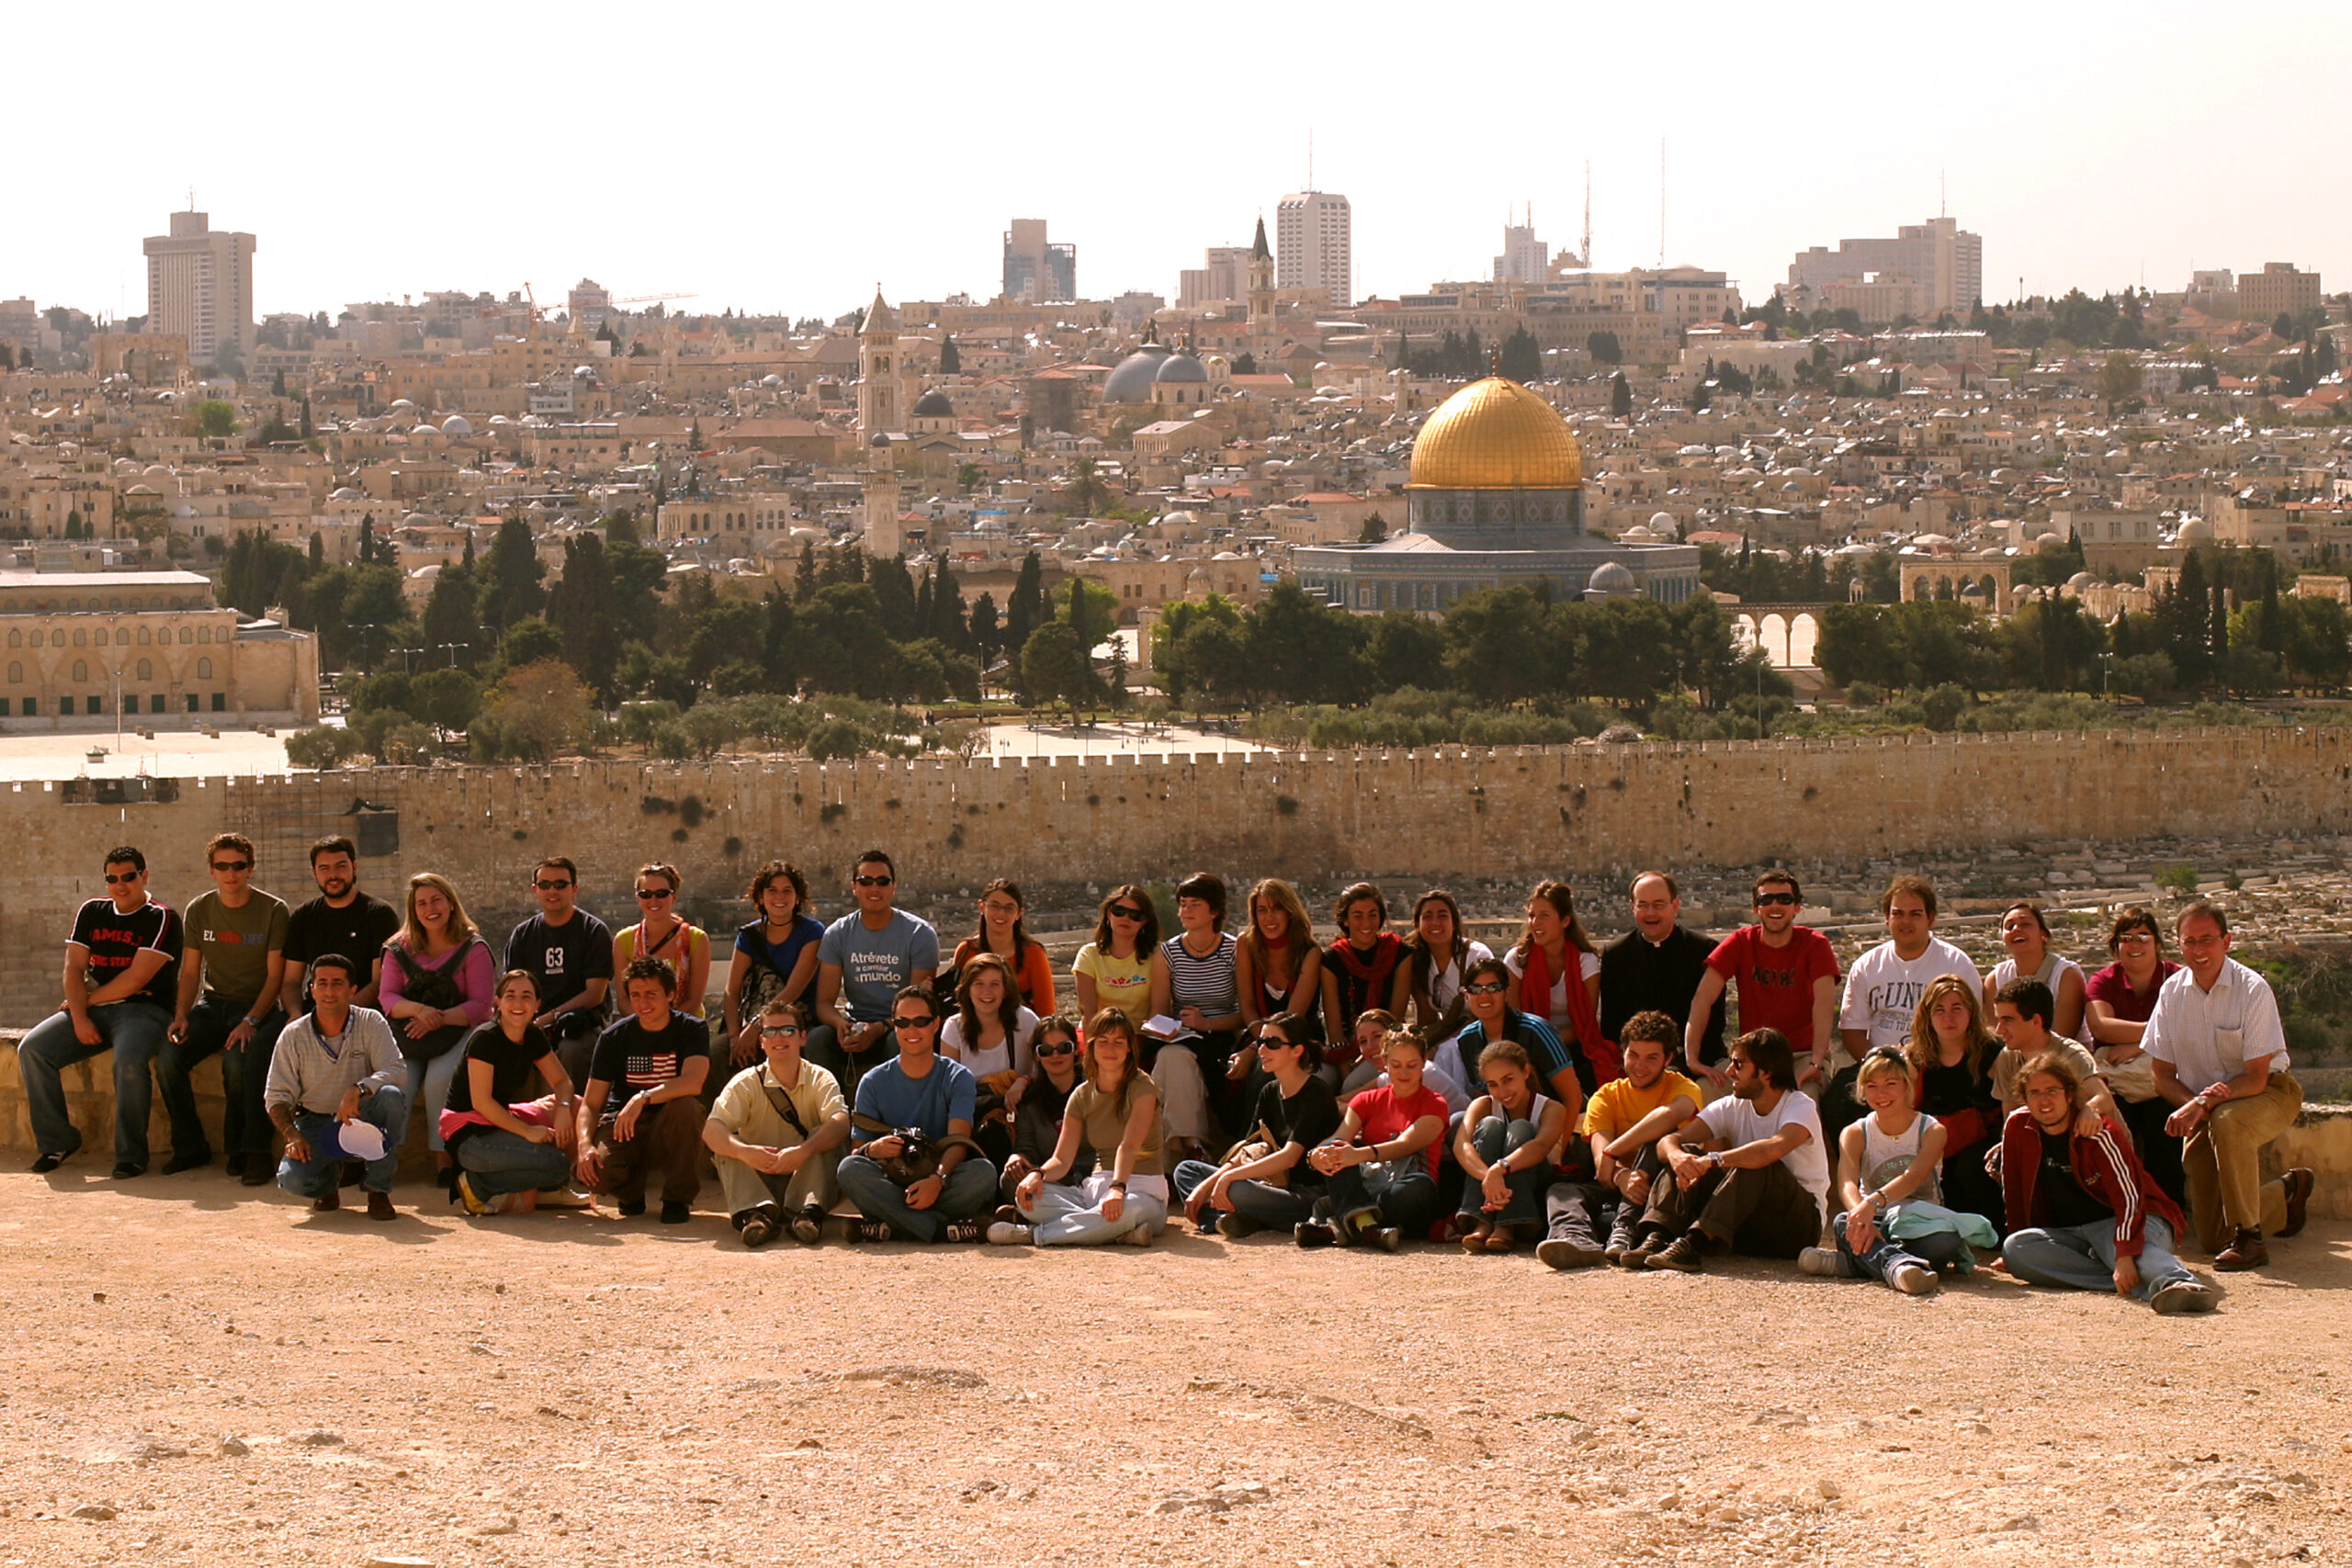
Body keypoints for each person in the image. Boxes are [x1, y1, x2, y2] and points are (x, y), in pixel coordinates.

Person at [2143, 901, 2316, 1271]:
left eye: (2207, 940)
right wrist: (2196, 1104)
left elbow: (2255, 1076)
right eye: (2189, 942)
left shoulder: (2252, 989)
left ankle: (2251, 1238)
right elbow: (2161, 1075)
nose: (2198, 950)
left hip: (2268, 1091)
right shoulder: (2172, 994)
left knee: (2228, 1120)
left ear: (2227, 941)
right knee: (2211, 1239)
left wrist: (2201, 1107)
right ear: (2178, 945)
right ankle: (2287, 1193)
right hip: (2207, 1104)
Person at [1999, 1050, 2217, 1314]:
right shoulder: (2017, 1127)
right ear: (2025, 1099)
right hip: (2073, 1232)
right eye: (2034, 1093)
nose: (2044, 1100)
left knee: (2136, 1253)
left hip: (2132, 1219)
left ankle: (2181, 1284)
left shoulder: (2098, 1131)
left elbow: (2130, 1197)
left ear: (2069, 1094)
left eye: (2052, 1091)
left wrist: (2124, 1254)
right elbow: (2014, 1192)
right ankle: (2139, 1283)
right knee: (2017, 1250)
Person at [19, 846, 183, 1178]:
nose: (120, 885)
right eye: (112, 878)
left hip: (145, 1009)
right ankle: (57, 1142)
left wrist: (86, 1003)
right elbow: (73, 967)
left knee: (128, 1061)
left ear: (144, 876)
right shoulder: (91, 911)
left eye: (128, 877)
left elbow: (135, 980)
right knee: (33, 1050)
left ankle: (131, 1156)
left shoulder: (161, 917)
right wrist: (79, 1017)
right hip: (93, 1009)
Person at [1634, 1028, 1829, 1274]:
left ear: (1766, 1071)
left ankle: (1693, 1244)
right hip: (1747, 1225)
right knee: (1689, 1151)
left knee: (1759, 1164)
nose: (1728, 1071)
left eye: (1738, 1064)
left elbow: (1773, 1149)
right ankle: (1657, 1235)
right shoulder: (1730, 1106)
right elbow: (1669, 1141)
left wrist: (1713, 1160)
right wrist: (1679, 1157)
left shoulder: (1801, 1106)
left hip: (1796, 1229)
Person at [158, 833, 290, 1186]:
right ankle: (190, 1147)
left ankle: (244, 1150)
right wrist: (181, 1015)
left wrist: (251, 1020)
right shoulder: (199, 909)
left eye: (238, 866)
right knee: (169, 1060)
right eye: (222, 866)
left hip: (255, 1006)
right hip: (212, 1004)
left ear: (250, 869)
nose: (231, 873)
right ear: (211, 870)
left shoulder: (273, 910)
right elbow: (190, 972)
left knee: (238, 1062)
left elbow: (276, 978)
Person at [1798, 1047, 1979, 1295]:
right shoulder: (1854, 1133)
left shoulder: (1932, 1130)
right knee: (1843, 1222)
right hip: (1874, 1219)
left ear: (1906, 1085)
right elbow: (1847, 1184)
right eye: (1871, 1086)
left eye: (1890, 1083)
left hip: (1921, 1221)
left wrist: (1872, 1201)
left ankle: (1850, 1264)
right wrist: (1859, 1214)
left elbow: (1913, 1177)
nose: (1881, 1094)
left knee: (1945, 1242)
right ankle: (1898, 1267)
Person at [1539, 1010, 1702, 1269]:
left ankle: (1624, 1231)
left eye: (1651, 1058)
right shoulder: (1606, 1096)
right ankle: (1577, 1241)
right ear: (1623, 1053)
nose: (1640, 1066)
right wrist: (1621, 1176)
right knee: (1562, 1191)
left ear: (1668, 1059)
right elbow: (1600, 1159)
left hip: (1662, 1192)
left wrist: (1614, 1151)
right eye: (1633, 1055)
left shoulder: (1683, 1087)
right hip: (1620, 1186)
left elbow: (1671, 1115)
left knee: (1656, 1141)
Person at [835, 986, 996, 1244]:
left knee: (983, 1174)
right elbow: (857, 1151)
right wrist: (873, 1150)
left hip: (940, 1177)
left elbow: (959, 1143)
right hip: (893, 1179)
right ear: (895, 1027)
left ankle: (891, 1226)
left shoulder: (957, 1077)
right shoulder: (872, 1082)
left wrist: (937, 1179)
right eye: (903, 1022)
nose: (912, 1030)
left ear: (936, 1024)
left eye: (921, 1022)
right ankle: (941, 1230)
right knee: (849, 1169)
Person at [1833, 875, 1978, 1155]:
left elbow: (1972, 1028)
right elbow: (1852, 1032)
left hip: (1939, 1066)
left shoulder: (1956, 964)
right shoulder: (1867, 965)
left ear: (1931, 918)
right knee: (1839, 1099)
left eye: (1915, 914)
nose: (1905, 922)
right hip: (1880, 1065)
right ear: (1887, 918)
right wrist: (1881, 1066)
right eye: (1897, 914)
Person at [1001, 1010, 1167, 1247]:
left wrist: (1118, 1188)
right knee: (1031, 1197)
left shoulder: (1143, 1088)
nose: (1110, 1049)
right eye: (1103, 1042)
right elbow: (1061, 1159)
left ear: (1130, 1047)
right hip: (1094, 1192)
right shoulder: (1081, 1095)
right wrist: (1037, 1175)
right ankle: (1115, 1233)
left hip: (1140, 1190)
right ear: (1090, 1046)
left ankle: (1032, 1235)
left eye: (1118, 1042)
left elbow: (1129, 1146)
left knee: (1128, 1210)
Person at [262, 953, 404, 1221]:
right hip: (316, 1122)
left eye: (337, 983)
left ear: (352, 990)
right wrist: (292, 1136)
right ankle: (327, 1184)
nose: (329, 991)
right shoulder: (293, 1035)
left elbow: (397, 1070)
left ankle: (378, 1190)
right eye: (322, 983)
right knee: (293, 1180)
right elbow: (276, 1096)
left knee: (391, 1097)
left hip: (362, 1118)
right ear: (312, 990)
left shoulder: (371, 1022)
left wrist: (359, 1090)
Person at [1170, 1015, 1338, 1238]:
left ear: (1297, 1051)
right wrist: (1209, 1184)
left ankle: (1240, 1218)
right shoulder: (1269, 1091)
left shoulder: (1316, 1092)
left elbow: (1290, 1157)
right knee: (1187, 1171)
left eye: (1273, 1043)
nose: (1262, 1050)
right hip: (1272, 1185)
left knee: (1235, 1187)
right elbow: (1247, 1149)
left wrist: (1228, 1179)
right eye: (1260, 1042)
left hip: (1306, 1196)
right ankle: (1231, 1221)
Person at [573, 955, 711, 1224]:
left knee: (687, 1108)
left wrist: (643, 1097)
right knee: (597, 1173)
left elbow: (693, 1081)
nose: (643, 1003)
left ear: (670, 995)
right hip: (623, 1124)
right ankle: (630, 1193)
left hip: (669, 1122)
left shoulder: (691, 1029)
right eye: (635, 995)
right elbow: (590, 1103)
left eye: (651, 994)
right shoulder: (613, 1037)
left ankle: (677, 1198)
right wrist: (583, 1145)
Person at [703, 997, 849, 1247]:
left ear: (802, 1037)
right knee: (728, 1145)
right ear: (761, 1042)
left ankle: (808, 1215)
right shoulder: (745, 1082)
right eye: (770, 1032)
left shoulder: (820, 1078)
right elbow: (711, 1130)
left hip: (805, 1176)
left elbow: (840, 1123)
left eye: (787, 1031)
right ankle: (755, 1216)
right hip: (760, 1177)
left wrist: (803, 1152)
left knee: (824, 1134)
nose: (778, 1039)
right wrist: (745, 1152)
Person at [379, 872, 495, 1178]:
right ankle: (383, 1158)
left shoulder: (473, 948)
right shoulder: (397, 949)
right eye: (422, 903)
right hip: (410, 1032)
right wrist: (420, 1011)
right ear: (413, 910)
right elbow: (387, 996)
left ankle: (443, 1158)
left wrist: (437, 1019)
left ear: (450, 903)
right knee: (398, 1085)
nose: (430, 908)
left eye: (436, 900)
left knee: (440, 1081)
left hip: (457, 1029)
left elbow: (482, 1004)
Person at [441, 970, 580, 1216]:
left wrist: (564, 1108)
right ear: (498, 1002)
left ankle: (551, 1191)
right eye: (510, 996)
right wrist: (528, 1132)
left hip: (500, 1122)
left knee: (577, 1106)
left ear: (537, 1004)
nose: (518, 1003)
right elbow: (481, 1103)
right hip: (471, 1136)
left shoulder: (533, 1035)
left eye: (526, 996)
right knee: (556, 1164)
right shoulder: (485, 1039)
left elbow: (562, 1082)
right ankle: (476, 1184)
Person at [1297, 1027, 1450, 1250]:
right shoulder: (1366, 1100)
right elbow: (1340, 1138)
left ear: (1423, 1062)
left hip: (1406, 1189)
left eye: (1412, 1065)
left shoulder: (1434, 1103)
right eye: (1396, 1065)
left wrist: (1359, 1155)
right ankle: (1367, 1228)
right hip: (1372, 1181)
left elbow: (1405, 1145)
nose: (1404, 1073)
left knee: (1417, 1187)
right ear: (1385, 1062)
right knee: (1333, 1147)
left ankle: (1341, 1221)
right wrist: (1315, 1157)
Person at [1686, 872, 1839, 1093]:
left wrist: (1816, 1061)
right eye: (1766, 900)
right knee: (1702, 1094)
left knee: (1804, 1099)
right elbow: (1702, 999)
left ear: (1797, 907)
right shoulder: (1741, 942)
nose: (1774, 906)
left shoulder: (1815, 945)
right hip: (1752, 1056)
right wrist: (1693, 1059)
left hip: (1802, 1055)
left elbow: (1824, 1005)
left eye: (1784, 899)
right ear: (1756, 908)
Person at [809, 849, 940, 1102]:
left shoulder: (919, 934)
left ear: (893, 887)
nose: (874, 888)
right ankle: (828, 1119)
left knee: (901, 1042)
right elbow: (824, 1002)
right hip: (856, 1023)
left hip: (898, 1025)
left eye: (882, 881)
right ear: (854, 888)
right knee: (817, 1041)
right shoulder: (838, 934)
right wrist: (840, 1025)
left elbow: (918, 1006)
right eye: (866, 881)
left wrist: (881, 1027)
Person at [2085, 906, 2187, 1206]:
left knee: (2166, 1132)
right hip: (2117, 1083)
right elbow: (2101, 1026)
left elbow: (2187, 1027)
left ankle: (2169, 1212)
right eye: (2126, 937)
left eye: (2143, 936)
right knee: (2112, 1134)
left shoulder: (2178, 977)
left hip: (2164, 1078)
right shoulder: (2104, 980)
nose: (2135, 944)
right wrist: (2157, 1030)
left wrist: (2138, 1045)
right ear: (2116, 945)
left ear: (2157, 942)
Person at [1147, 871, 1246, 1161]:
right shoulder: (1168, 954)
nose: (1186, 911)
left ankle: (1180, 1152)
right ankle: (1193, 1145)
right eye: (1183, 904)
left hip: (1223, 1036)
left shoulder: (1234, 949)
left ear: (1214, 911)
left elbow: (1246, 1013)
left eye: (1195, 904)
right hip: (1183, 1037)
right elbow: (1159, 1011)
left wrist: (1208, 1024)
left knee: (1174, 1060)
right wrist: (1166, 1029)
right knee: (1171, 1057)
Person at [1902, 975, 2006, 1230]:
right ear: (1927, 1016)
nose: (1949, 1018)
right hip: (1937, 1149)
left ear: (1971, 1012)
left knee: (1971, 1168)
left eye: (1956, 1008)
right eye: (1940, 1010)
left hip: (1985, 1145)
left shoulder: (1994, 1053)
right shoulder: (1915, 1059)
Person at [1451, 1040, 1570, 1253]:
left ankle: (1509, 1224)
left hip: (1533, 1190)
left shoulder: (1551, 1108)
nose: (1502, 1091)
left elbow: (1540, 1147)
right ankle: (1483, 1220)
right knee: (1489, 1125)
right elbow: (1462, 1145)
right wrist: (1490, 1177)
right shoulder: (1483, 1105)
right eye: (1493, 1084)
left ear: (1526, 1072)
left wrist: (1500, 1169)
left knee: (1521, 1128)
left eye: (1508, 1080)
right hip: (1491, 1186)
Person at [505, 857, 614, 1089]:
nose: (552, 891)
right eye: (545, 885)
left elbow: (594, 994)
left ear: (574, 889)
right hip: (531, 1022)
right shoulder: (523, 935)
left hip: (581, 1025)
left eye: (560, 884)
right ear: (535, 890)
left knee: (572, 1051)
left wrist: (549, 1018)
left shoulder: (593, 932)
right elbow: (512, 989)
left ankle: (571, 1120)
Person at [1599, 872, 1724, 1071]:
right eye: (1642, 905)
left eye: (1658, 905)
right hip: (1636, 1066)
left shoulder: (1703, 951)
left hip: (1695, 1062)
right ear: (1632, 907)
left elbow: (1714, 1024)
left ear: (1675, 906)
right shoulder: (1616, 955)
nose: (1650, 913)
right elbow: (1612, 1024)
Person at [1449, 955, 1594, 1125]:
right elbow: (1485, 1098)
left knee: (1520, 1130)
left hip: (1559, 1123)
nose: (1484, 995)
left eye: (1494, 988)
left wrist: (1557, 1149)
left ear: (1506, 992)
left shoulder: (1536, 1030)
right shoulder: (1468, 1039)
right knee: (1458, 1122)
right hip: (1511, 1125)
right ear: (1466, 995)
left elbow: (1573, 1098)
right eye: (1476, 989)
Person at [1504, 880, 1617, 1082]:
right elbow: (1514, 1019)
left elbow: (1586, 1023)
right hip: (1528, 1045)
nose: (1535, 923)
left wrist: (1548, 1042)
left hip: (1577, 1044)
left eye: (1544, 916)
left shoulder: (1586, 962)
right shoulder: (1516, 960)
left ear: (1565, 921)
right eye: (1531, 916)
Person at [938, 953, 1040, 1168]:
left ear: (1006, 990)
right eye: (979, 984)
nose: (987, 992)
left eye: (995, 984)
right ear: (968, 989)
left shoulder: (1025, 1020)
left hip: (1019, 1112)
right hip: (972, 1114)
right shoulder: (954, 1028)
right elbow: (949, 1086)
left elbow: (1045, 1067)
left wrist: (1023, 1080)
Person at [722, 861, 825, 1075]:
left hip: (799, 1019)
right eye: (772, 891)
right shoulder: (749, 936)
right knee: (717, 1055)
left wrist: (756, 1026)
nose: (780, 897)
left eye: (787, 891)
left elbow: (793, 990)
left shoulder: (812, 932)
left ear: (797, 897)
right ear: (761, 897)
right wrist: (734, 1037)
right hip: (755, 1021)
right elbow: (731, 991)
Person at [280, 834, 401, 1013]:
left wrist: (339, 1015)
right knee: (260, 1042)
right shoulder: (303, 916)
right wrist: (296, 1016)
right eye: (324, 868)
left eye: (341, 866)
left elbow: (379, 982)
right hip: (312, 1012)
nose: (333, 875)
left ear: (354, 867)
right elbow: (291, 981)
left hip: (364, 1013)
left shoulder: (378, 914)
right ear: (314, 873)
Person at [1990, 978, 2123, 1134]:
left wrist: (2090, 1109)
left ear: (2036, 1021)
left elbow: (2104, 1098)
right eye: (1998, 1020)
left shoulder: (2071, 1055)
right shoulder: (2008, 1058)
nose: (1999, 1030)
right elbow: (2011, 1117)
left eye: (2007, 1020)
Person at [997, 1013, 1092, 1210]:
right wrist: (1018, 1158)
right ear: (1037, 1056)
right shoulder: (1031, 1101)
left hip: (1095, 1177)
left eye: (1064, 1048)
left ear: (1076, 1050)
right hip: (1052, 1181)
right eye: (1046, 1050)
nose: (1055, 1055)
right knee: (1010, 1181)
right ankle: (1084, 1213)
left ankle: (1049, 1217)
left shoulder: (1094, 1091)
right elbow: (1027, 1148)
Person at [1395, 887, 1493, 1058]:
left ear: (1454, 923)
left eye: (1442, 916)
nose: (1435, 923)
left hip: (1483, 1032)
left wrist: (1439, 1047)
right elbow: (1427, 1018)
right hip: (1449, 1035)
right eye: (1427, 917)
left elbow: (1490, 1014)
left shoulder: (1476, 957)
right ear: (1418, 925)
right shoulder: (1418, 961)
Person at [613, 862, 711, 1023]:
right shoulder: (623, 940)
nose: (654, 900)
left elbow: (694, 1001)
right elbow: (624, 1000)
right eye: (646, 894)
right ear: (638, 898)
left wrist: (665, 1026)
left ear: (674, 897)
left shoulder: (697, 939)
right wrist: (649, 1025)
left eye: (661, 894)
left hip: (685, 1027)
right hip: (641, 1029)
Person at [1318, 882, 1398, 1072]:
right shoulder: (1332, 959)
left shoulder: (1397, 952)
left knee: (1350, 1087)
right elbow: (1334, 1024)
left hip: (1386, 1046)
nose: (1366, 923)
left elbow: (1395, 1019)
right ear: (1345, 920)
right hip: (1344, 1046)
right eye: (1358, 916)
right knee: (1320, 1081)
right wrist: (1344, 1066)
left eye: (1372, 915)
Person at [949, 878, 1056, 1015]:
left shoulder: (1033, 954)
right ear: (982, 907)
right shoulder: (966, 951)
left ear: (1019, 913)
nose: (1001, 913)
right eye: (994, 906)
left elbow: (1046, 1012)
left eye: (1009, 908)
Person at [1987, 901, 2089, 1043]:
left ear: (2043, 934)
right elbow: (1997, 1036)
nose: (2016, 929)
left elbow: (2062, 1038)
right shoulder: (1995, 980)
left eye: (2025, 924)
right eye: (2010, 926)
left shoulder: (2066, 975)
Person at [1072, 885, 1165, 1032]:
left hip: (1144, 1036)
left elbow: (1159, 1010)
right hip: (1102, 1037)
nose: (1126, 919)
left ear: (1145, 921)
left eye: (1135, 915)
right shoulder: (1089, 955)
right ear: (1109, 914)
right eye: (1119, 911)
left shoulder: (1158, 955)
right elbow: (1088, 1012)